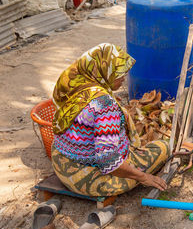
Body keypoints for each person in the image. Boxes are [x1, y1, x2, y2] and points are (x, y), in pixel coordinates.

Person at [51, 43, 168, 197]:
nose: (124, 78)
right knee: (163, 148)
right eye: (119, 73)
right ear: (104, 71)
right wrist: (144, 177)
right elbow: (107, 161)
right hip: (85, 180)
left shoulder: (76, 86)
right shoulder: (105, 105)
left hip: (61, 165)